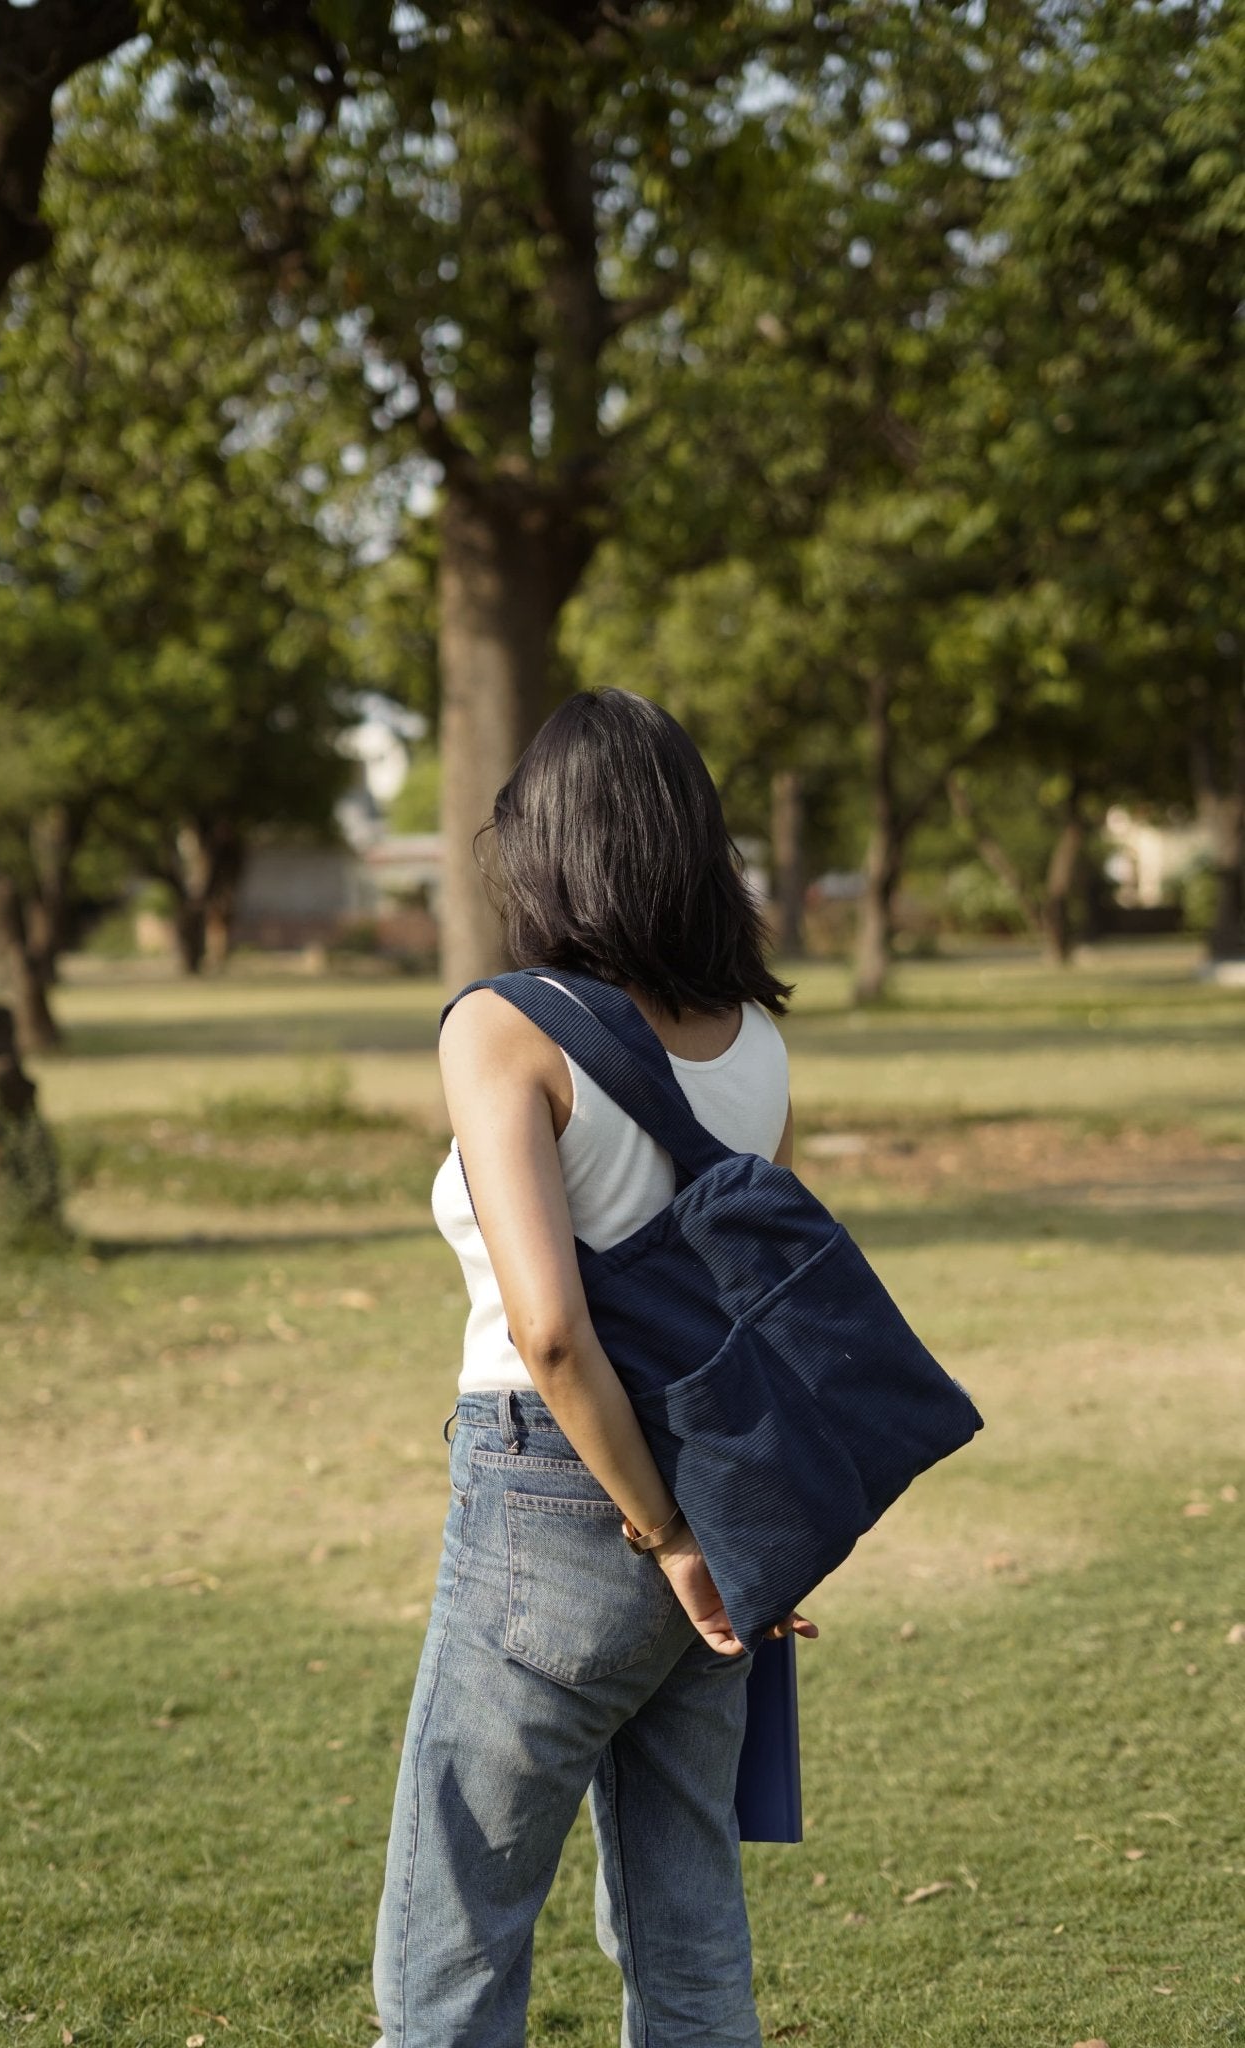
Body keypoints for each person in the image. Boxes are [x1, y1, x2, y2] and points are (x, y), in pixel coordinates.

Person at [371, 688, 819, 2048]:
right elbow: (754, 1309)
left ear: (548, 844)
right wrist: (736, 1533)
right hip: (717, 1488)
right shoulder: (754, 1041)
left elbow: (551, 1328)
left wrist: (666, 1534)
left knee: (449, 1953)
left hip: (561, 1493)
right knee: (686, 1944)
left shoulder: (501, 1027)